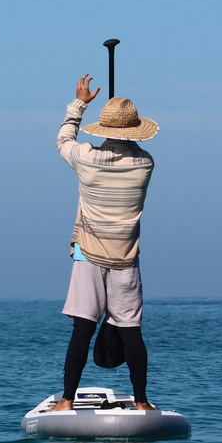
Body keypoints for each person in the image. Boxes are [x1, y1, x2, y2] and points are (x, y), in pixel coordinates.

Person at [49, 74, 159, 412]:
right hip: (126, 259)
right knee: (131, 331)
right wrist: (124, 133)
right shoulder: (145, 163)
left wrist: (79, 104)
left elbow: (63, 137)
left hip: (88, 255)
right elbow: (135, 149)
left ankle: (67, 401)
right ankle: (142, 402)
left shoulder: (85, 159)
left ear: (103, 130)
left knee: (83, 328)